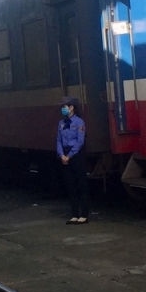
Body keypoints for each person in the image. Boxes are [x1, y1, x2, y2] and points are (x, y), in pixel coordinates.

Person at [56, 96, 89, 224]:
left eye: (64, 107)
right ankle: (74, 214)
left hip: (76, 155)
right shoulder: (61, 123)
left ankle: (84, 214)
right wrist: (61, 155)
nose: (62, 109)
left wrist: (69, 156)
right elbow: (58, 140)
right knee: (70, 185)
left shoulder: (79, 122)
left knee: (81, 184)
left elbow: (80, 141)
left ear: (71, 108)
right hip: (64, 154)